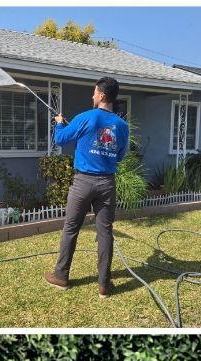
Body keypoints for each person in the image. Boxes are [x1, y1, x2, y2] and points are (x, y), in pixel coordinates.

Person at [45, 76, 129, 299]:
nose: (92, 96)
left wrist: (60, 123)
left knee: (71, 228)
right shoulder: (122, 125)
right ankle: (104, 285)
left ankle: (61, 276)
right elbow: (119, 155)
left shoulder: (85, 117)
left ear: (101, 95)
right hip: (107, 183)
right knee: (105, 232)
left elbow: (61, 140)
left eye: (94, 92)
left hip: (83, 182)